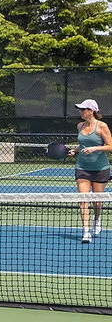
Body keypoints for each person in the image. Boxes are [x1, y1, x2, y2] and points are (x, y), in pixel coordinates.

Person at [68, 100, 112, 243]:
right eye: (80, 109)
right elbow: (82, 144)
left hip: (100, 169)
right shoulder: (80, 126)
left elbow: (110, 146)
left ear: (91, 111)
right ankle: (86, 232)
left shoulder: (102, 126)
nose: (80, 112)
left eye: (83, 109)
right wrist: (75, 150)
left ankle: (97, 219)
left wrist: (95, 148)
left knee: (97, 202)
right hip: (82, 168)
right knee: (83, 200)